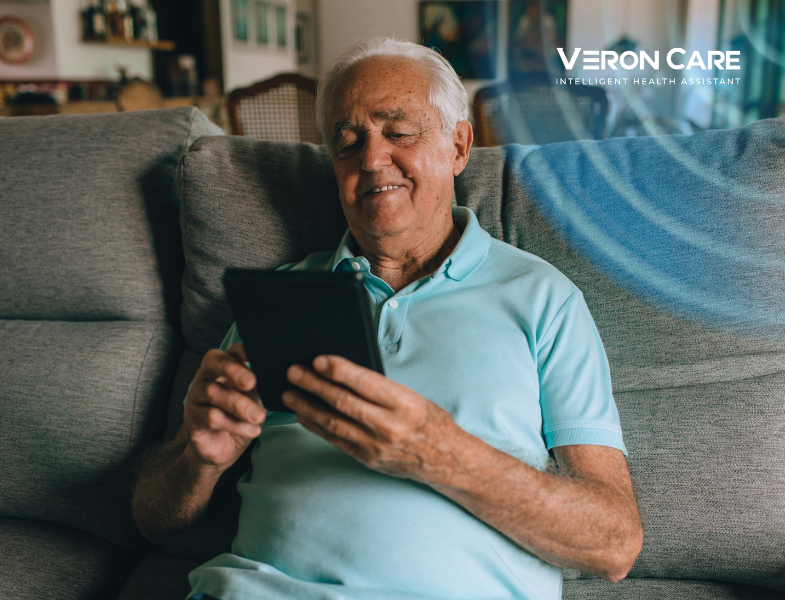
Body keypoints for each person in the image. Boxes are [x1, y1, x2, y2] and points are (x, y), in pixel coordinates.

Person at [132, 37, 643, 600]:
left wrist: (440, 454)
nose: (373, 160)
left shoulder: (542, 298)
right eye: (347, 143)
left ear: (458, 145)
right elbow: (154, 517)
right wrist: (197, 458)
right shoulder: (278, 295)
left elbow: (615, 545)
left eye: (399, 133)